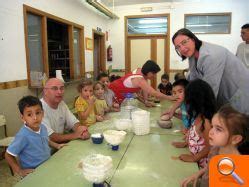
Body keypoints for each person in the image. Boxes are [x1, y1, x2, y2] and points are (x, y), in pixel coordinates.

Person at [172, 28, 249, 114]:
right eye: (178, 47)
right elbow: (192, 84)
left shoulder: (212, 55)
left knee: (238, 124)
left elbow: (208, 92)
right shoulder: (192, 56)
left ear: (193, 39)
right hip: (224, 98)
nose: (182, 49)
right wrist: (173, 108)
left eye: (184, 42)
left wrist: (193, 113)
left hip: (240, 96)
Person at [180, 105, 249, 187]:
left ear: (235, 139)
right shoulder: (215, 149)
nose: (211, 132)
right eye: (212, 126)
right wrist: (198, 173)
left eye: (218, 129)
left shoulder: (238, 167)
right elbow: (210, 166)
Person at [5, 96, 65, 177]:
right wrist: (19, 171)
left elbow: (45, 139)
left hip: (47, 166)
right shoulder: (23, 136)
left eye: (38, 113)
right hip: (33, 173)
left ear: (42, 113)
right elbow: (8, 155)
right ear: (23, 118)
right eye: (29, 114)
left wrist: (57, 145)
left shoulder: (43, 127)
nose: (35, 118)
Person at [172, 79, 216, 169]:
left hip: (201, 166)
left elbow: (210, 147)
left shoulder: (206, 122)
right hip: (194, 162)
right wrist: (186, 143)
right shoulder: (197, 116)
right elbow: (194, 136)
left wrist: (194, 158)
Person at [41, 78, 89, 143]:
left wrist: (81, 130)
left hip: (59, 147)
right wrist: (75, 135)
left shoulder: (61, 104)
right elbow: (51, 137)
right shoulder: (38, 109)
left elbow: (73, 122)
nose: (59, 92)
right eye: (55, 88)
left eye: (62, 88)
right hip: (45, 151)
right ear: (45, 91)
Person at [109, 60, 176, 106]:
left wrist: (146, 101)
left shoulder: (141, 71)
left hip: (120, 92)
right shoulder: (139, 79)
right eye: (154, 73)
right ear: (149, 71)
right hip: (112, 92)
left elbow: (145, 88)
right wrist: (169, 97)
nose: (154, 76)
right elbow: (153, 93)